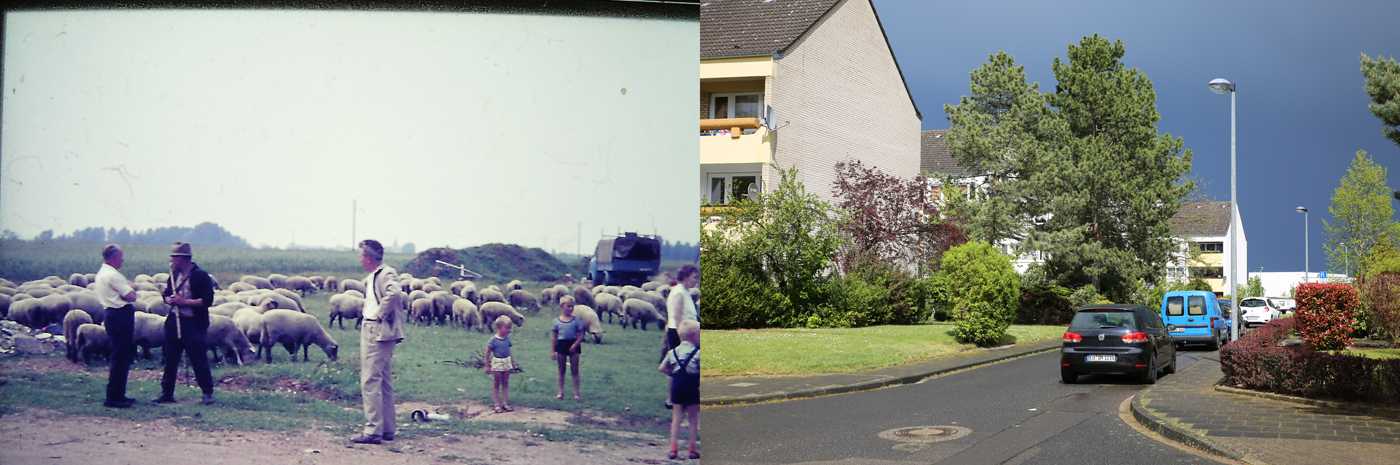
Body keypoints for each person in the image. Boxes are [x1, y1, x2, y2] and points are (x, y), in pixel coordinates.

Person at [353, 239, 405, 445]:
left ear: (368, 257)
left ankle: (373, 429)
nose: (360, 259)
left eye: (361, 255)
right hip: (375, 328)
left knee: (370, 379)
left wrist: (380, 314)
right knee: (383, 379)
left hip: (377, 330)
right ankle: (387, 429)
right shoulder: (376, 275)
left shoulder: (385, 273)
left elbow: (394, 293)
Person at [152, 242, 216, 405]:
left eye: (174, 257)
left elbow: (207, 301)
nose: (172, 260)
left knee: (198, 357)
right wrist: (169, 300)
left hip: (194, 323)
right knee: (170, 357)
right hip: (175, 320)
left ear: (182, 258)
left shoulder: (200, 276)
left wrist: (184, 302)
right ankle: (167, 392)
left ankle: (207, 392)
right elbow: (166, 294)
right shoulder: (173, 275)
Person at [97, 244, 139, 408]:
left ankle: (119, 394)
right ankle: (113, 397)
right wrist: (129, 294)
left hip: (111, 314)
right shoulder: (114, 276)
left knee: (120, 355)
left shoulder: (102, 273)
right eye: (121, 256)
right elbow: (132, 295)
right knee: (120, 356)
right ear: (114, 257)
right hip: (120, 315)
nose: (122, 259)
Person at [660, 319, 701, 460]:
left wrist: (674, 374)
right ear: (693, 335)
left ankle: (673, 448)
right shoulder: (698, 353)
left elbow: (662, 367)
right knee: (693, 417)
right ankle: (692, 449)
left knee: (676, 417)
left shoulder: (673, 352)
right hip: (691, 385)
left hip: (677, 385)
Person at [663, 263, 699, 408]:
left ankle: (678, 398)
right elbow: (677, 317)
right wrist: (682, 337)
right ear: (686, 276)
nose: (696, 280)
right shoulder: (679, 293)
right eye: (694, 277)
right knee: (676, 365)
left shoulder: (684, 291)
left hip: (686, 333)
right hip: (680, 333)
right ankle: (672, 399)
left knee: (682, 366)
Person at [551, 295, 585, 401]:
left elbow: (581, 334)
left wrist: (574, 345)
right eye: (568, 306)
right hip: (561, 345)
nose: (570, 309)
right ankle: (560, 392)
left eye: (572, 306)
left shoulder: (576, 321)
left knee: (575, 370)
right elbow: (554, 336)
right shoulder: (557, 321)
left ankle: (576, 394)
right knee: (561, 370)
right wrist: (553, 351)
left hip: (573, 344)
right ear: (562, 306)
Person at [484, 315, 516, 413]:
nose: (509, 330)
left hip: (506, 361)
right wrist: (487, 365)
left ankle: (505, 403)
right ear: (499, 327)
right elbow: (488, 352)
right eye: (507, 328)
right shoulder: (493, 340)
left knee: (505, 382)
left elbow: (509, 351)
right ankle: (497, 404)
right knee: (497, 383)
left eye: (510, 328)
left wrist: (512, 362)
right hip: (497, 362)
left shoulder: (507, 339)